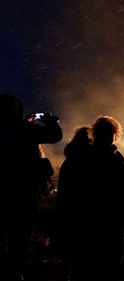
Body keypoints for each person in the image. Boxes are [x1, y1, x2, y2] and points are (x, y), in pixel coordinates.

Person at [58, 117, 124, 281]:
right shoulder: (112, 157)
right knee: (108, 266)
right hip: (112, 221)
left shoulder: (83, 156)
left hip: (88, 220)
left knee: (88, 266)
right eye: (109, 133)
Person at [0, 94, 62, 280]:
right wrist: (50, 121)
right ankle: (15, 272)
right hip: (23, 193)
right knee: (20, 236)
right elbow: (54, 136)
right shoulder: (25, 130)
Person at [55, 126, 92, 280]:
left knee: (69, 254)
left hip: (67, 212)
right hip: (84, 214)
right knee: (84, 256)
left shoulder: (68, 161)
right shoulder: (90, 162)